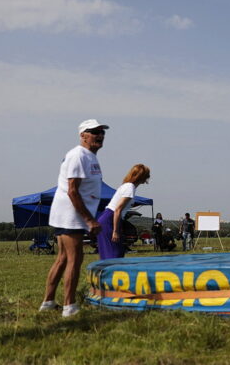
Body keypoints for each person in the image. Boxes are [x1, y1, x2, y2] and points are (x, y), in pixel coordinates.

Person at [40, 119, 109, 318]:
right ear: (82, 135)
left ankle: (48, 301)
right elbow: (72, 191)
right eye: (94, 132)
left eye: (101, 132)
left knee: (62, 258)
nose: (99, 135)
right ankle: (69, 306)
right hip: (71, 215)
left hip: (72, 214)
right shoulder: (78, 155)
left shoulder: (90, 157)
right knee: (74, 259)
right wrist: (89, 220)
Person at [96, 164, 150, 260]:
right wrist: (115, 231)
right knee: (114, 254)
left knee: (116, 251)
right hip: (110, 219)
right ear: (141, 177)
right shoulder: (130, 188)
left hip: (108, 217)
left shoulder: (126, 186)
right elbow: (117, 210)